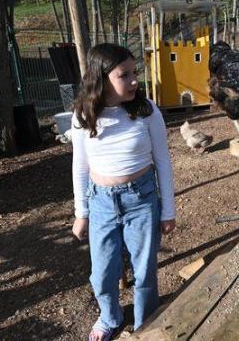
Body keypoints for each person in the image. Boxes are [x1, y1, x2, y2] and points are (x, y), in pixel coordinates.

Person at [71, 43, 176, 341]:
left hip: (141, 200)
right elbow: (80, 167)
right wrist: (82, 213)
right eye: (124, 75)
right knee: (102, 273)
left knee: (144, 272)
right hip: (101, 202)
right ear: (101, 78)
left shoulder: (146, 110)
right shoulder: (83, 115)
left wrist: (168, 210)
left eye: (134, 73)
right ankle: (110, 316)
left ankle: (145, 322)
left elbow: (163, 162)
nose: (134, 81)